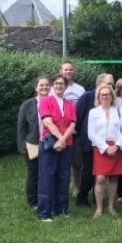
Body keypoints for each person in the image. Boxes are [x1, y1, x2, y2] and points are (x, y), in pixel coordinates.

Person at [37, 74, 76, 221]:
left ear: (66, 86)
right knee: (47, 176)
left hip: (67, 144)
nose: (59, 86)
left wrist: (63, 140)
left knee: (64, 176)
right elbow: (47, 122)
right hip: (50, 143)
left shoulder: (71, 104)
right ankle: (44, 213)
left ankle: (62, 210)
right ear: (53, 86)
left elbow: (72, 124)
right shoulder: (45, 101)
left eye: (62, 84)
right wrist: (60, 139)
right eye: (57, 83)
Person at [75, 73, 115, 207]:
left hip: (106, 144)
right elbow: (78, 118)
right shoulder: (87, 97)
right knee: (88, 171)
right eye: (108, 84)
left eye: (112, 84)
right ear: (99, 84)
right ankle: (82, 197)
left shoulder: (112, 99)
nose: (111, 87)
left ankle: (97, 197)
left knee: (101, 172)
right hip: (89, 142)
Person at [87, 84, 122, 217]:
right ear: (98, 97)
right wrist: (105, 147)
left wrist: (117, 145)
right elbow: (91, 133)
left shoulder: (119, 110)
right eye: (102, 94)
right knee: (100, 178)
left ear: (112, 96)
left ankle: (111, 206)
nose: (105, 96)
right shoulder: (93, 112)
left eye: (108, 94)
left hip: (116, 146)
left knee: (114, 178)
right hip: (100, 147)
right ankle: (98, 208)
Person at [17, 76, 51, 209]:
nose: (44, 87)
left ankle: (46, 196)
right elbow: (21, 126)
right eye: (41, 85)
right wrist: (21, 145)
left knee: (47, 172)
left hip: (49, 143)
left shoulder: (53, 102)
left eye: (47, 85)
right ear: (36, 88)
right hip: (32, 143)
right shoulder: (28, 104)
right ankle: (33, 201)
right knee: (34, 173)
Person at [59, 61, 85, 197]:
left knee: (77, 162)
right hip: (59, 132)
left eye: (70, 69)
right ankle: (61, 186)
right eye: (66, 69)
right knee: (61, 162)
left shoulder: (80, 89)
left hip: (76, 131)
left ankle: (76, 187)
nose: (68, 71)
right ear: (61, 72)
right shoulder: (56, 88)